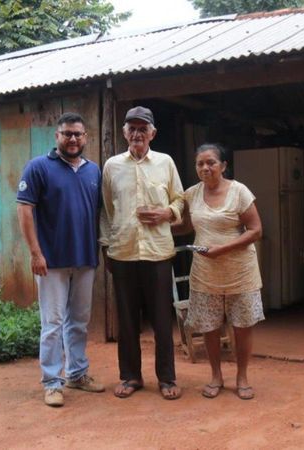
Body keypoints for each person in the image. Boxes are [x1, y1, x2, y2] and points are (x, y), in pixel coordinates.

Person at [17, 112, 104, 407]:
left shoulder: (94, 171)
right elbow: (25, 210)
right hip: (50, 261)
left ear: (86, 138)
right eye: (67, 133)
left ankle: (77, 374)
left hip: (85, 258)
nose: (73, 139)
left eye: (78, 134)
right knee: (52, 322)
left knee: (79, 321)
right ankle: (52, 382)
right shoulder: (39, 167)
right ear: (57, 136)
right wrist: (35, 253)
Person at [100, 106, 184, 400]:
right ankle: (131, 376)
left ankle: (167, 378)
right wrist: (106, 247)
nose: (137, 134)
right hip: (122, 252)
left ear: (152, 133)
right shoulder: (111, 166)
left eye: (142, 128)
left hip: (158, 253)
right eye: (131, 128)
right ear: (124, 133)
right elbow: (107, 211)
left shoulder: (166, 162)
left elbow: (180, 200)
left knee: (162, 320)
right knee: (127, 320)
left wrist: (167, 212)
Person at [173, 143, 265, 400]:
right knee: (209, 326)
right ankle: (216, 376)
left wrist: (223, 248)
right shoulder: (191, 194)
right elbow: (186, 226)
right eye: (200, 163)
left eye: (211, 162)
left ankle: (242, 377)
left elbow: (256, 230)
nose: (205, 168)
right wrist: (159, 225)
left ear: (223, 165)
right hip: (205, 272)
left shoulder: (239, 192)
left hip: (240, 272)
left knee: (242, 326)